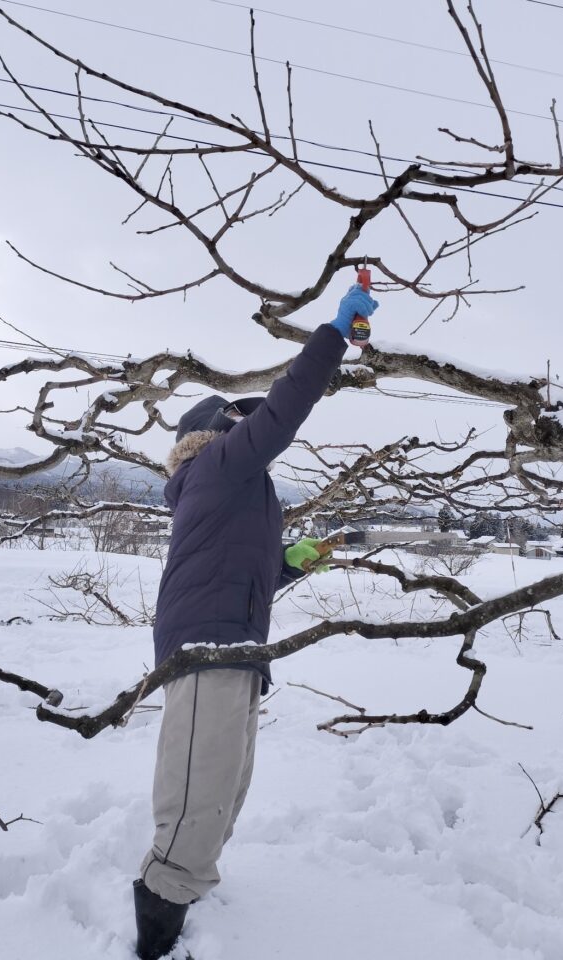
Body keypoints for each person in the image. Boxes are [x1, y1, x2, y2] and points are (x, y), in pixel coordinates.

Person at [133, 284, 380, 960]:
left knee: (225, 786)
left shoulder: (239, 489)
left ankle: (186, 896)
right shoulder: (216, 467)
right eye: (237, 419)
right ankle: (156, 925)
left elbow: (250, 574)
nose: (250, 426)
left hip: (237, 645)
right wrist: (331, 335)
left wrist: (295, 563)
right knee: (197, 788)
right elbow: (285, 408)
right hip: (206, 646)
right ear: (209, 435)